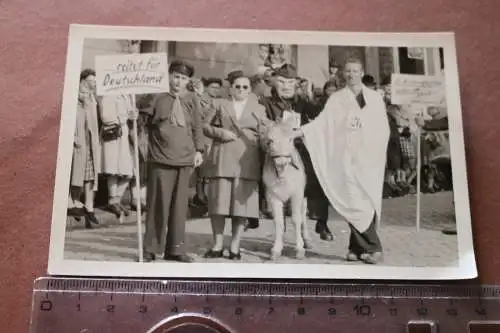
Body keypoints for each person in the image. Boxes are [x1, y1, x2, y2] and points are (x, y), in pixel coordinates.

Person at [293, 57, 390, 264]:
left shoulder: (374, 98)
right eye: (347, 71)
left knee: (367, 199)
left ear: (361, 73)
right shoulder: (337, 99)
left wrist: (367, 142)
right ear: (342, 74)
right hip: (346, 157)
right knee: (352, 199)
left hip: (368, 157)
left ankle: (366, 247)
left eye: (355, 71)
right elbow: (323, 123)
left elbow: (383, 128)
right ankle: (365, 248)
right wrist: (300, 132)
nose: (351, 75)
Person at [140, 60, 204, 263]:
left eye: (184, 78)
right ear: (169, 76)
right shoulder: (156, 96)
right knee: (158, 205)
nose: (179, 82)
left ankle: (175, 249)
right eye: (176, 76)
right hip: (160, 158)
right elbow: (143, 121)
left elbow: (197, 127)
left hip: (185, 159)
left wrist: (199, 149)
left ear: (188, 80)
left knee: (179, 207)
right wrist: (136, 116)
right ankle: (151, 248)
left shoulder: (192, 98)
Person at [202, 70, 269, 260]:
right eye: (237, 86)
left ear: (250, 90)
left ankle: (235, 247)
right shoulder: (219, 105)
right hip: (222, 158)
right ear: (231, 89)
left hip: (247, 161)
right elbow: (204, 126)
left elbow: (265, 132)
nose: (241, 89)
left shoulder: (259, 109)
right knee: (218, 205)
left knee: (242, 207)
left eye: (245, 87)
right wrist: (220, 132)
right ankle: (217, 245)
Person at [68, 69, 101, 228]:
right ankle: (72, 201)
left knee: (90, 175)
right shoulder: (74, 96)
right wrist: (73, 137)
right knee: (75, 172)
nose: (94, 84)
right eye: (91, 81)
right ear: (82, 81)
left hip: (90, 141)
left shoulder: (92, 99)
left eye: (95, 82)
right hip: (78, 141)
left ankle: (89, 206)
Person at [100, 92, 137, 220]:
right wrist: (123, 117)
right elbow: (105, 117)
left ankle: (116, 199)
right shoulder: (108, 95)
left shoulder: (127, 96)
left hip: (123, 134)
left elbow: (130, 114)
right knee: (113, 169)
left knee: (128, 171)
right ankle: (112, 200)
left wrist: (133, 115)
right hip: (112, 135)